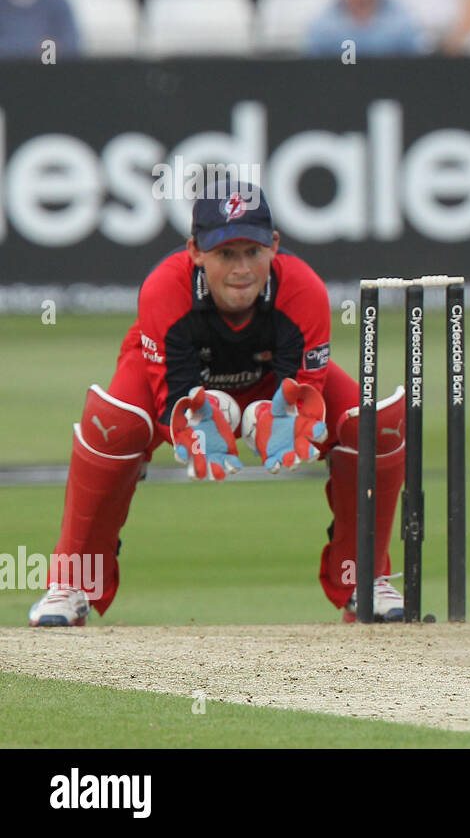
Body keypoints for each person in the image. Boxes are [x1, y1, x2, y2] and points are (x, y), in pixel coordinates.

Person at [27, 183, 410, 627]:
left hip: (269, 384)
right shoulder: (164, 289)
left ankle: (364, 582)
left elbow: (301, 396)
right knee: (113, 424)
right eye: (226, 254)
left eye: (253, 251)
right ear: (195, 252)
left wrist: (279, 427)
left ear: (275, 247)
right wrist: (196, 426)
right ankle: (71, 584)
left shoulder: (302, 289)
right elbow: (173, 400)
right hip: (187, 389)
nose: (242, 269)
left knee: (377, 427)